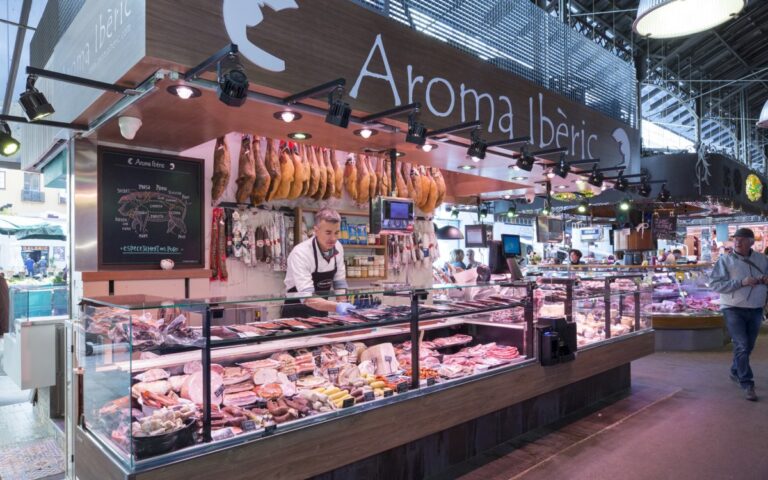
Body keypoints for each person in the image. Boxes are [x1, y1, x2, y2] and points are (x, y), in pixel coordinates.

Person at [709, 228, 767, 401]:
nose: (737, 242)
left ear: (751, 242)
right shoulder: (725, 260)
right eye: (735, 239)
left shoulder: (762, 260)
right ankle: (747, 382)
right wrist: (741, 282)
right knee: (741, 345)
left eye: (742, 239)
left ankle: (735, 370)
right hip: (733, 307)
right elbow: (715, 284)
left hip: (756, 307)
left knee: (748, 346)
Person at [283, 208, 354, 318]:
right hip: (298, 312)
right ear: (316, 231)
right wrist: (337, 307)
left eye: (336, 232)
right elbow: (308, 298)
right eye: (328, 233)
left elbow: (339, 282)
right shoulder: (301, 253)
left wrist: (343, 304)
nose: (333, 238)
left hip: (322, 310)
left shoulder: (338, 247)